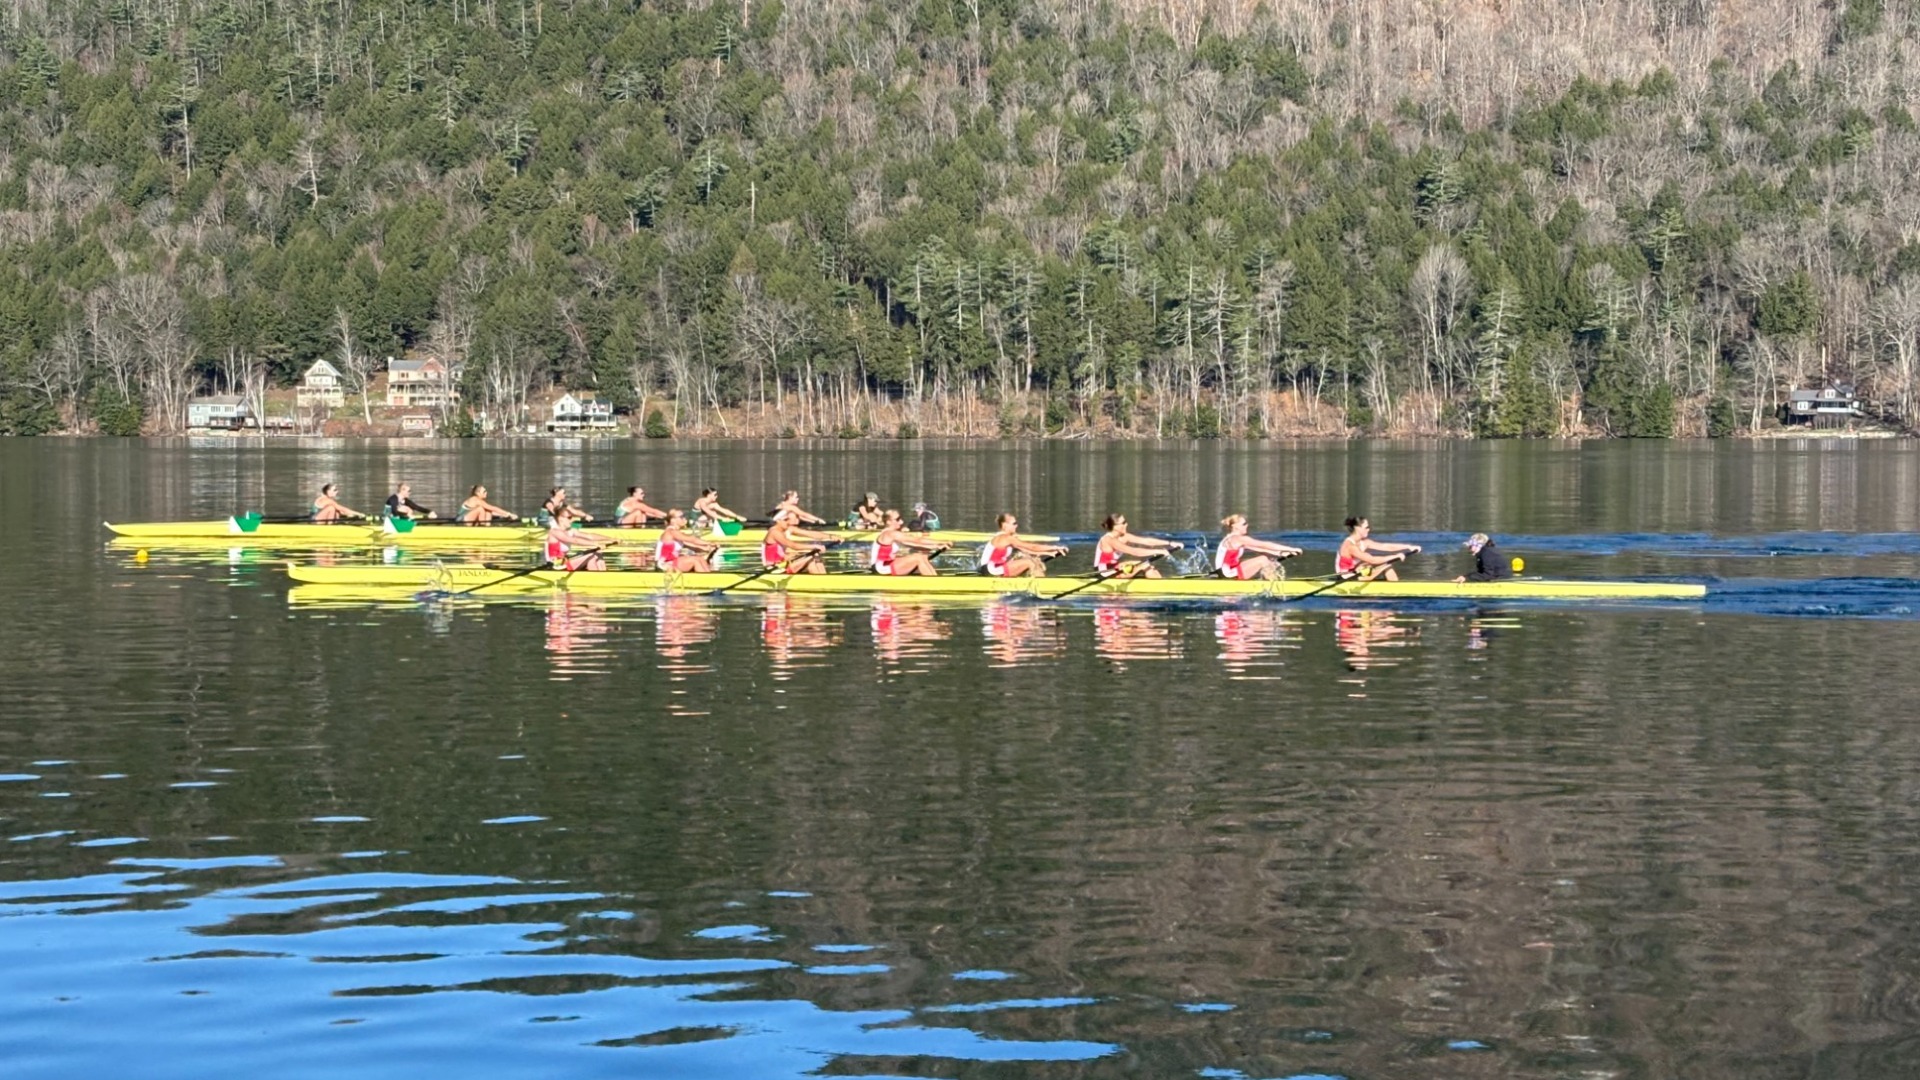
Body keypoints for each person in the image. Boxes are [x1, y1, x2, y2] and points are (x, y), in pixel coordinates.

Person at [1093, 514, 1185, 579]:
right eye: (1123, 522)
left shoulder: (1124, 536)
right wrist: (1158, 551)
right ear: (1116, 527)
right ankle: (1161, 587)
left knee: (1148, 566)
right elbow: (1134, 551)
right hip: (1103, 572)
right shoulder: (1108, 540)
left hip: (1115, 567)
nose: (1127, 524)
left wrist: (1170, 543)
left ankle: (1160, 585)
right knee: (1144, 565)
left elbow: (1146, 541)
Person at [978, 513, 1068, 578]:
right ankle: (1043, 586)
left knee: (1030, 558)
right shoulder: (1005, 538)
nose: (1016, 526)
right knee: (1028, 562)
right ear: (1005, 525)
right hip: (990, 570)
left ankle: (1037, 580)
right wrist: (1056, 547)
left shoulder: (1008, 538)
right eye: (1014, 524)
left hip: (993, 568)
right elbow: (1032, 547)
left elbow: (1027, 549)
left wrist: (1049, 553)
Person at [1214, 514, 1302, 580]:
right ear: (1235, 526)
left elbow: (1261, 549)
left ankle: (1272, 582)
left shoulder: (1234, 539)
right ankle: (1275, 586)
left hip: (1226, 572)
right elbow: (1264, 544)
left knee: (1268, 560)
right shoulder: (1237, 539)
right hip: (1226, 574)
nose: (1247, 525)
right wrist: (1292, 549)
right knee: (1262, 559)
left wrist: (1282, 553)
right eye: (1244, 524)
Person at [1336, 516, 1420, 581]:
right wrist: (1395, 556)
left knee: (1380, 564)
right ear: (1358, 528)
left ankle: (1395, 588)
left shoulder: (1364, 542)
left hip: (1356, 573)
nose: (1369, 529)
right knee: (1385, 565)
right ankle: (1396, 590)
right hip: (1346, 578)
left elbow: (1386, 546)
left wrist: (1409, 547)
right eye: (1366, 527)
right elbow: (1373, 560)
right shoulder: (1349, 546)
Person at [870, 509, 949, 576]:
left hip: (887, 565)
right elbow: (917, 540)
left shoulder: (895, 534)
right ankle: (935, 583)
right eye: (897, 519)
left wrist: (936, 547)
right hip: (880, 568)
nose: (901, 522)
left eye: (901, 518)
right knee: (917, 557)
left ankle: (935, 578)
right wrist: (941, 542)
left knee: (923, 556)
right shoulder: (889, 533)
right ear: (888, 522)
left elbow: (914, 545)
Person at [543, 506, 616, 571]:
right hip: (556, 566)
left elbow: (589, 536)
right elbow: (575, 540)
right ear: (560, 518)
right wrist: (596, 544)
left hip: (564, 562)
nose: (572, 520)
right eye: (569, 517)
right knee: (591, 554)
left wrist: (610, 539)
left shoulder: (570, 531)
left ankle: (603, 574)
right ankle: (596, 578)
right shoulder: (554, 532)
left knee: (598, 552)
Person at [762, 516, 833, 574]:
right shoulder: (774, 532)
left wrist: (830, 537)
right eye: (786, 520)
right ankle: (822, 581)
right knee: (811, 557)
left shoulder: (782, 531)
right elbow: (793, 545)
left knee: (815, 555)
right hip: (775, 569)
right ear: (778, 520)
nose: (789, 522)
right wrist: (815, 546)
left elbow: (781, 555)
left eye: (788, 519)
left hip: (783, 565)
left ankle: (823, 577)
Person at [655, 509, 720, 572]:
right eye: (681, 517)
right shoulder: (671, 532)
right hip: (664, 565)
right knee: (694, 560)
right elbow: (692, 539)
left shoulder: (677, 534)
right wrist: (709, 543)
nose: (684, 519)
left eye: (684, 516)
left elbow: (693, 547)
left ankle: (709, 577)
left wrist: (708, 548)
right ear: (673, 520)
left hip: (672, 562)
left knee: (700, 558)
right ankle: (705, 580)